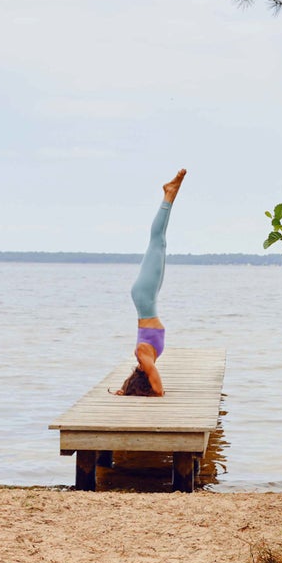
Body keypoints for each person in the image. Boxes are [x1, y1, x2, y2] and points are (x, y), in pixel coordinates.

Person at [115, 169, 186, 397]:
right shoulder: (146, 358)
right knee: (160, 244)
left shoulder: (143, 355)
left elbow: (158, 387)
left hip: (144, 298)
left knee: (157, 241)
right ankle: (170, 195)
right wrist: (124, 391)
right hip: (147, 299)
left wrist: (152, 393)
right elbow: (154, 383)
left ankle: (168, 195)